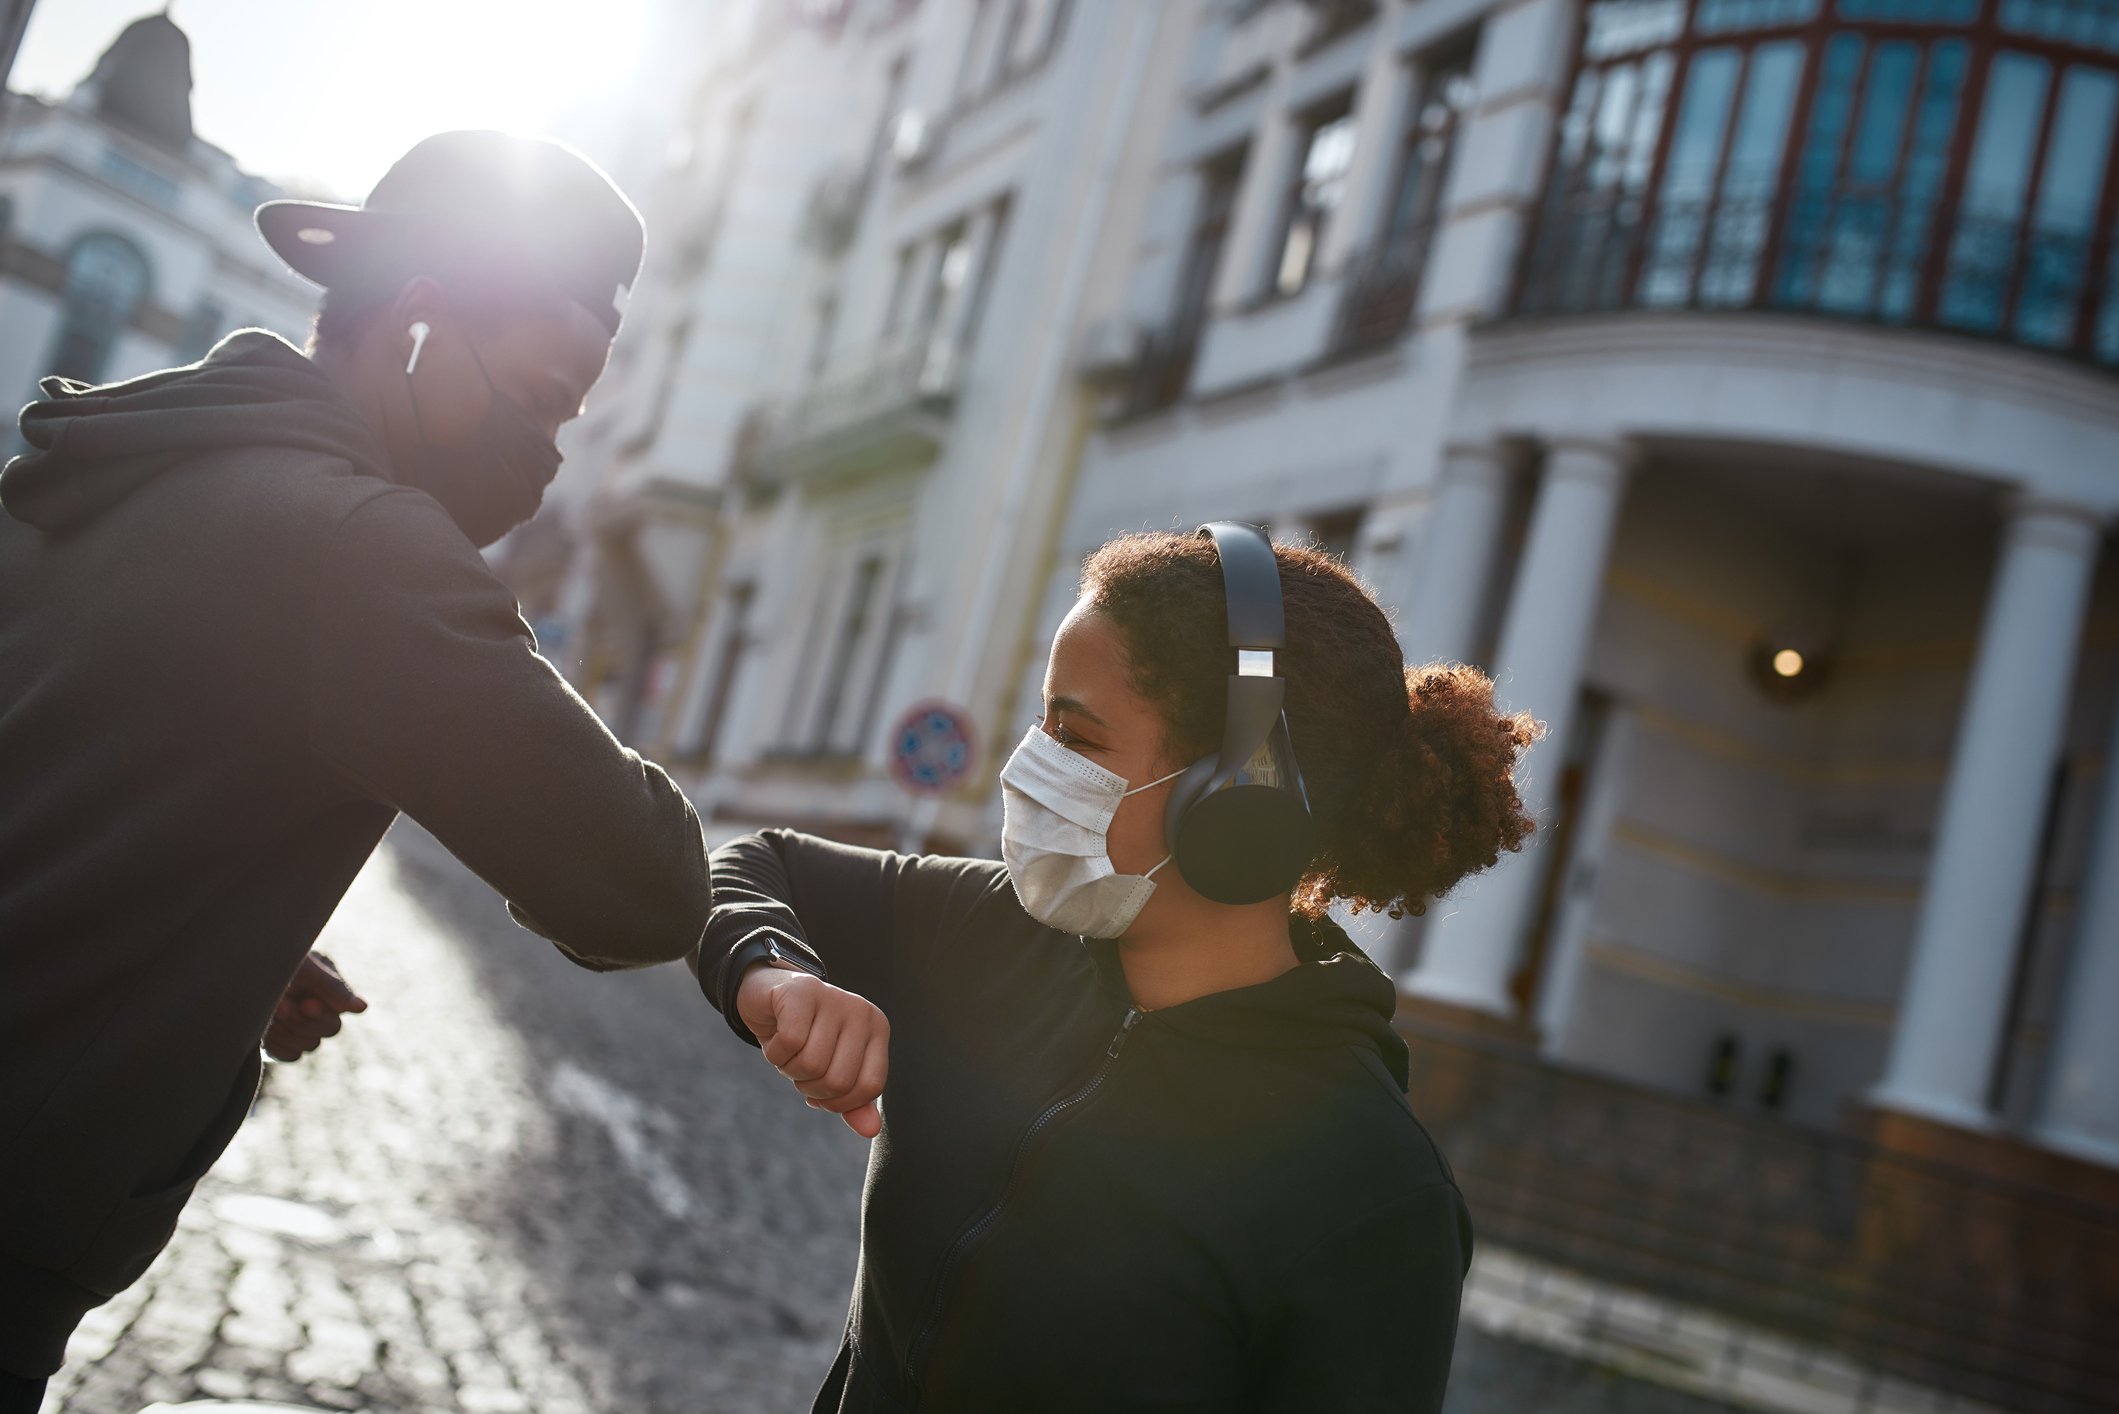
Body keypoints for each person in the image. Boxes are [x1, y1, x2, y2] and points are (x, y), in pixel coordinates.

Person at [0, 131, 711, 1404]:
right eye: (542, 395)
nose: (548, 452)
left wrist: (213, 940)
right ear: (421, 329)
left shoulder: (114, 460)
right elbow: (642, 884)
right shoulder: (359, 544)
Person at [696, 525, 1539, 1412]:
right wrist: (773, 971)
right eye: (1041, 720)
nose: (1028, 766)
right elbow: (756, 863)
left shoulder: (1376, 1197)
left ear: (1237, 806)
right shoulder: (994, 930)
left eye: (1075, 735)